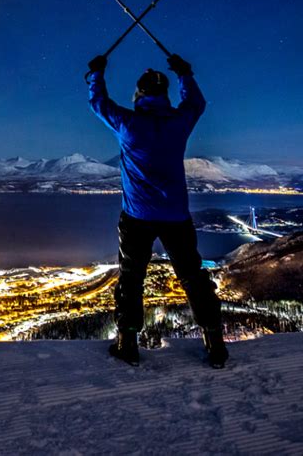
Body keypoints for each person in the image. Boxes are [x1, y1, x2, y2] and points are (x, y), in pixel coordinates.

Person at [87, 53, 228, 368]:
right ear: (164, 94)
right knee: (193, 276)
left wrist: (97, 73)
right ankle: (215, 342)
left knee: (132, 277)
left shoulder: (129, 124)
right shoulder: (179, 123)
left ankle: (127, 343)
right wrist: (184, 74)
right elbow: (196, 104)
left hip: (137, 217)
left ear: (138, 94)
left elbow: (98, 103)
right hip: (176, 216)